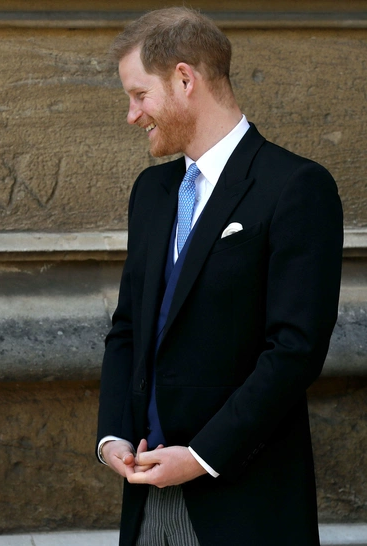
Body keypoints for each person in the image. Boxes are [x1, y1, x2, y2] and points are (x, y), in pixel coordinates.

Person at [96, 7, 343, 546]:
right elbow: (129, 327)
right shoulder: (152, 193)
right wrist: (112, 434)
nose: (132, 115)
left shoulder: (296, 186)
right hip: (145, 503)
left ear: (185, 79)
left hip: (244, 505)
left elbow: (295, 352)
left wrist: (202, 457)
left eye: (139, 95)